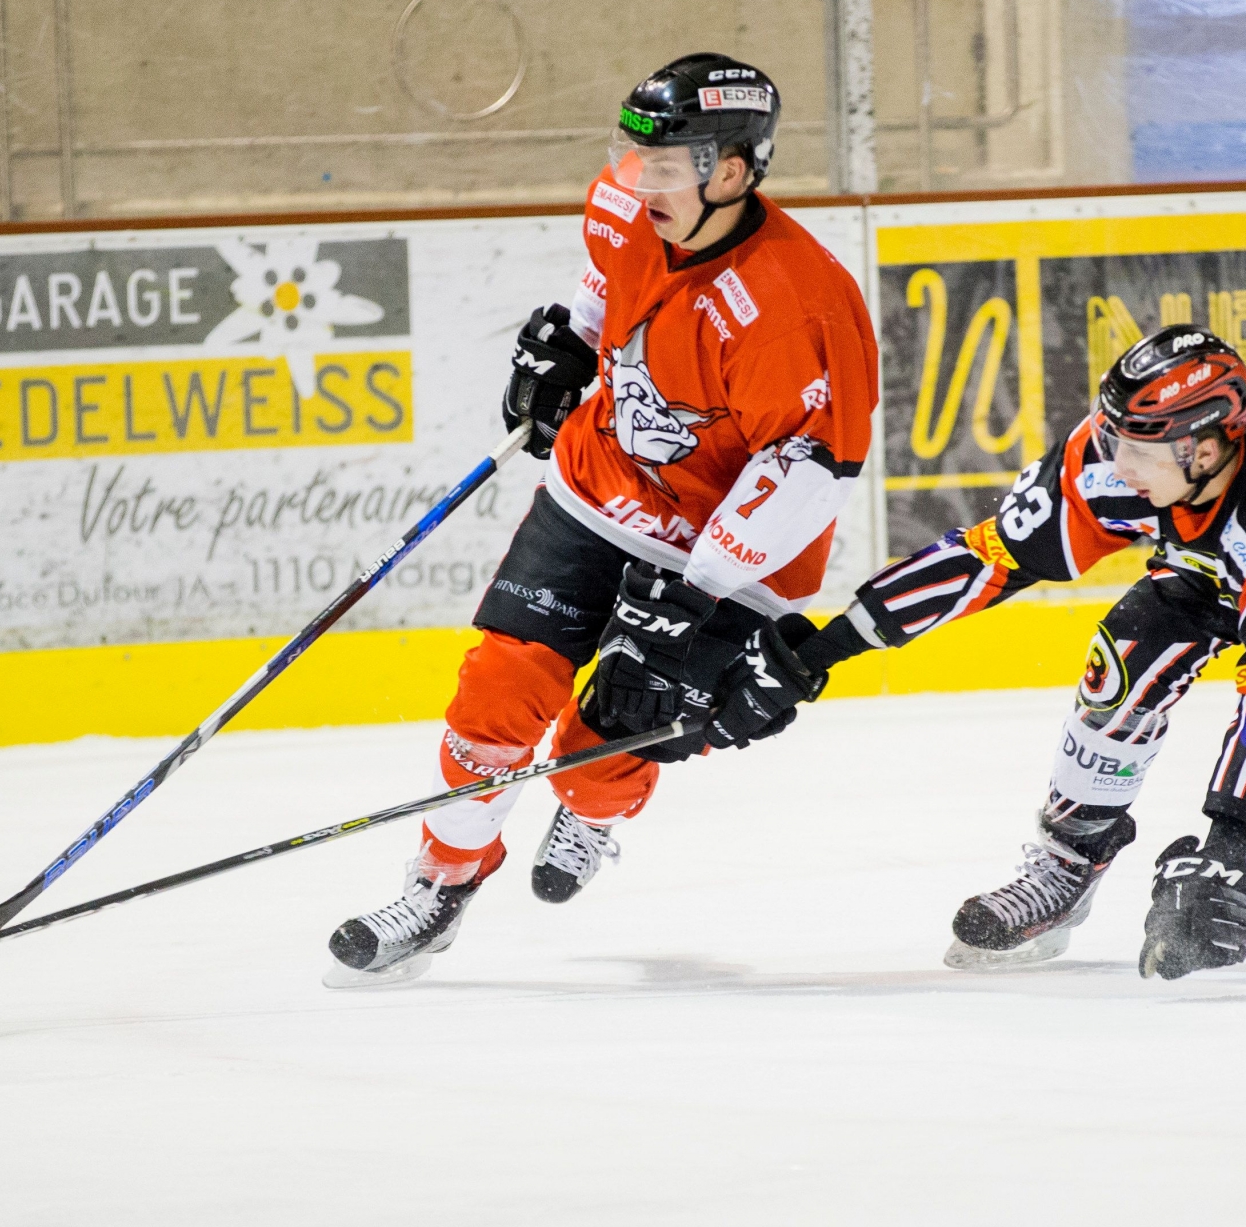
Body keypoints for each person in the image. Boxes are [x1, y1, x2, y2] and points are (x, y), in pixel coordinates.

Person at [710, 326, 1246, 979]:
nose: (1115, 464)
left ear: (1207, 449)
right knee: (1126, 658)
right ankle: (1067, 864)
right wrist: (820, 652)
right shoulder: (1128, 458)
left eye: (1140, 449)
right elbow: (987, 559)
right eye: (1115, 437)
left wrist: (1227, 851)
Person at [325, 53, 879, 985]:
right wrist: (571, 349)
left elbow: (810, 472)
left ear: (733, 170)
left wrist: (694, 591)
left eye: (662, 167)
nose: (635, 181)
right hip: (598, 491)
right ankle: (442, 881)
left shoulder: (799, 306)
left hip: (729, 554)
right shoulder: (629, 208)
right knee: (498, 692)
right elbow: (606, 284)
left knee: (601, 740)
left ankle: (592, 808)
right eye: (631, 157)